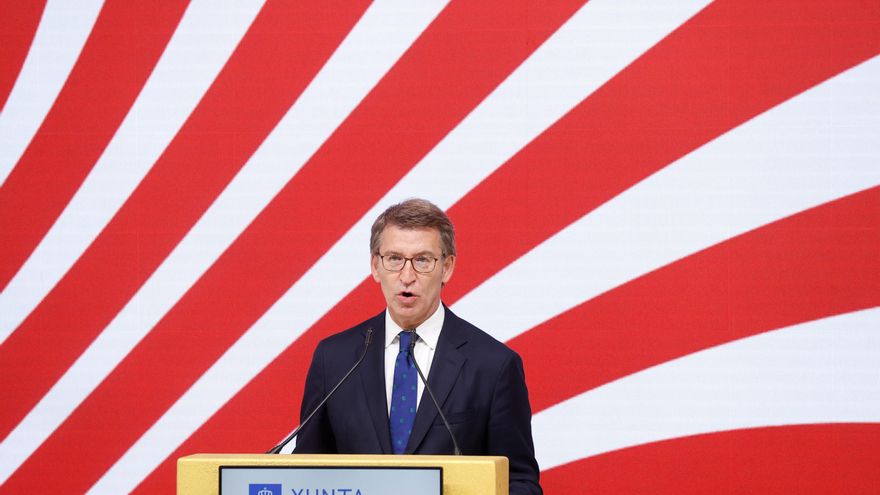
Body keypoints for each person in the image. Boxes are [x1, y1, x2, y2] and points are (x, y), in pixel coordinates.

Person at [294, 198, 542, 495]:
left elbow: (520, 483)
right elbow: (306, 473)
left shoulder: (493, 365)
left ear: (447, 268)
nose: (407, 276)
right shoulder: (334, 359)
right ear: (376, 266)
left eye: (423, 260)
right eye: (395, 259)